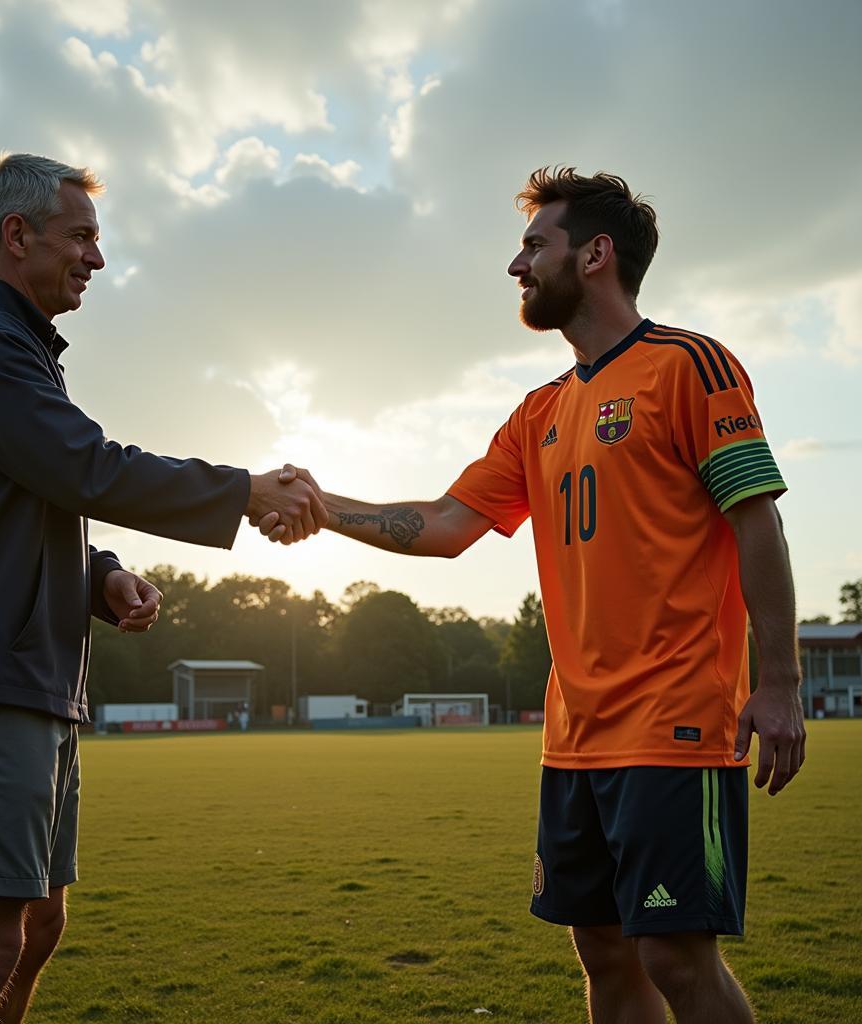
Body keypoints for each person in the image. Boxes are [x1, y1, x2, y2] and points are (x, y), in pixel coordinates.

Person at [263, 167, 805, 1024]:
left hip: (677, 721)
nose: (516, 267)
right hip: (573, 736)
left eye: (532, 246)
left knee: (676, 956)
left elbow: (757, 523)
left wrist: (778, 684)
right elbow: (444, 524)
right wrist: (324, 512)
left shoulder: (690, 366)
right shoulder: (539, 411)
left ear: (595, 255)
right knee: (603, 954)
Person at [0, 152, 326, 1024]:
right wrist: (243, 489)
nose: (97, 257)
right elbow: (85, 467)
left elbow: (24, 503)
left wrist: (104, 575)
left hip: (36, 681)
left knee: (38, 922)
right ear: (17, 236)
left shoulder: (20, 352)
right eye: (81, 236)